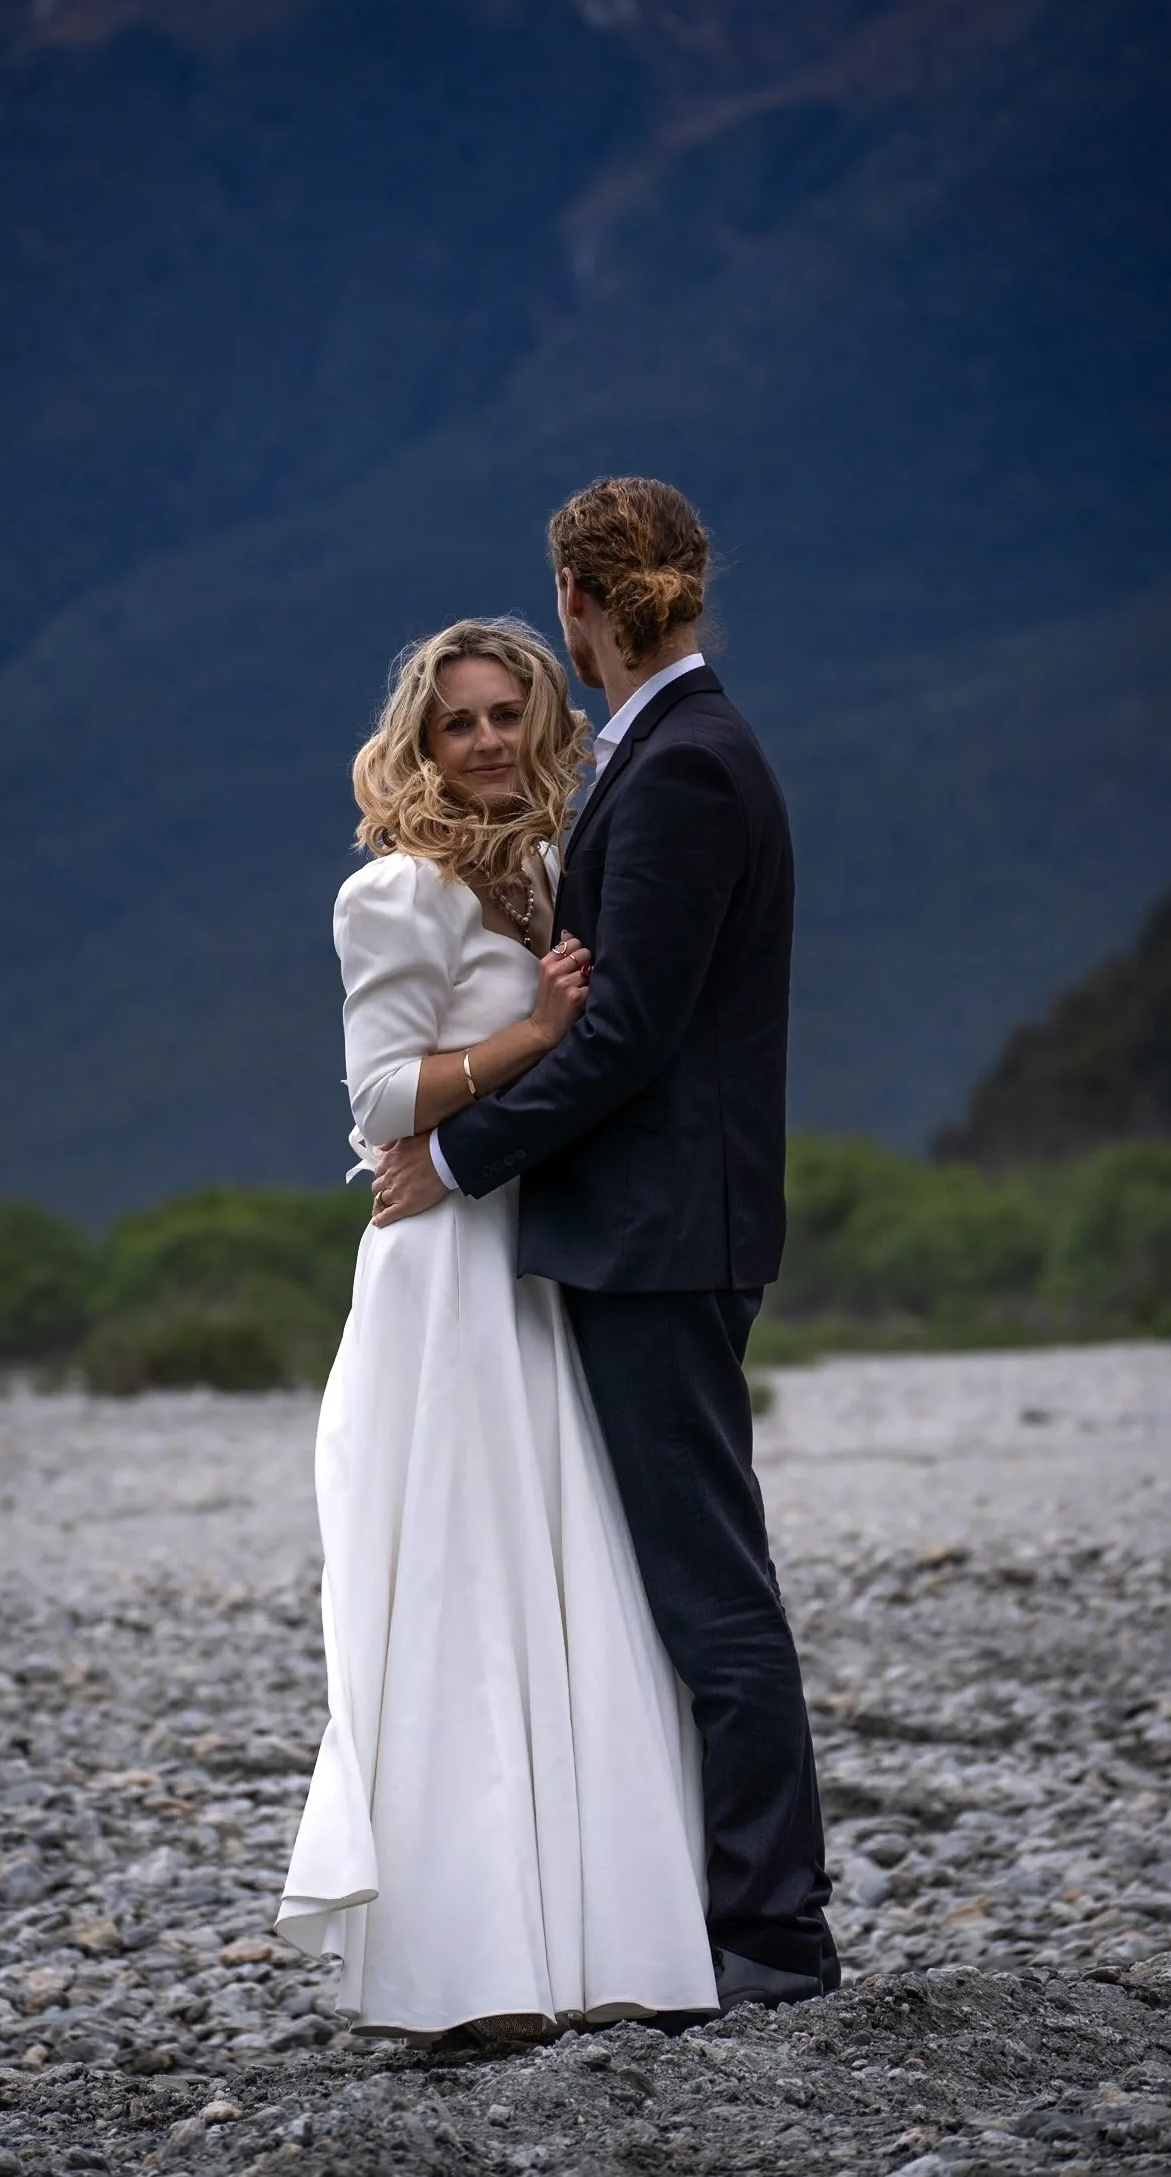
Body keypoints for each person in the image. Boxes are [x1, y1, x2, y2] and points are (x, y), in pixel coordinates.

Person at [373, 477, 838, 2014]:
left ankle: (773, 1934)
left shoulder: (689, 768)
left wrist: (458, 1155)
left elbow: (631, 1034)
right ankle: (711, 1913)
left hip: (662, 1235)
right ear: (692, 587)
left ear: (579, 608)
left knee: (709, 1590)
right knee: (687, 1584)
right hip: (656, 1228)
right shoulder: (674, 753)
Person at [274, 615, 720, 2043]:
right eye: (455, 721)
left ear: (542, 725)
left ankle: (599, 1949)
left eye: (505, 716)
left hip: (534, 1256)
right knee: (465, 1587)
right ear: (417, 741)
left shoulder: (548, 867)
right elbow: (380, 1105)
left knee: (569, 1583)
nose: (483, 742)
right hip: (445, 1269)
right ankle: (463, 1970)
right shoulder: (392, 893)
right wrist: (530, 1037)